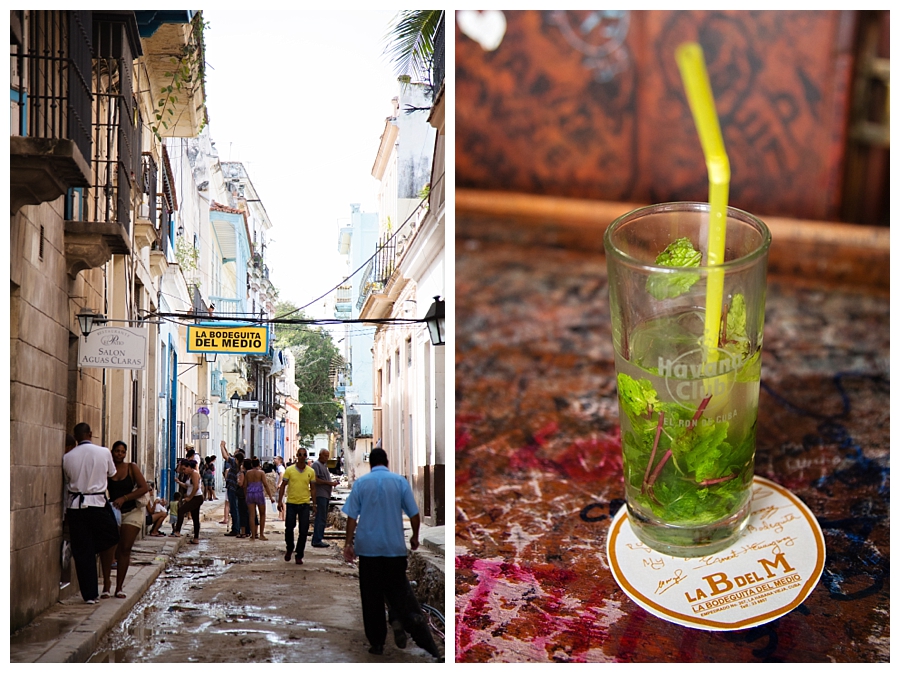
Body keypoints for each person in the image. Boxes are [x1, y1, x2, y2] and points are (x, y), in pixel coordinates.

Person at [342, 448, 441, 658]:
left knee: (371, 597)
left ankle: (377, 643)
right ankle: (399, 619)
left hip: (368, 550)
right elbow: (414, 515)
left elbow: (351, 517)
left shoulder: (361, 484)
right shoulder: (399, 482)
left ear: (371, 464)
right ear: (387, 462)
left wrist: (348, 543)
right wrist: (415, 537)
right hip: (394, 550)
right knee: (397, 591)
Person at [62, 423, 119, 604]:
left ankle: (89, 594)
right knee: (112, 535)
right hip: (97, 503)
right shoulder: (104, 452)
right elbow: (112, 473)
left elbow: (67, 480)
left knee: (82, 550)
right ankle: (94, 551)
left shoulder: (67, 457)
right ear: (90, 434)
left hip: (76, 507)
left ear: (76, 437)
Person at [105, 440, 150, 598]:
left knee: (124, 549)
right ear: (112, 452)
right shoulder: (107, 469)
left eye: (122, 451)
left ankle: (119, 588)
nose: (119, 454)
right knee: (109, 549)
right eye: (117, 451)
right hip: (113, 512)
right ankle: (106, 586)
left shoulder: (131, 468)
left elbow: (144, 487)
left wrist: (125, 498)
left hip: (132, 511)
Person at [277, 449, 316, 564]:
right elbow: (283, 486)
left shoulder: (311, 471)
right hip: (291, 503)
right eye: (300, 454)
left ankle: (299, 554)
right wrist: (280, 501)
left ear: (306, 456)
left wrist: (315, 504)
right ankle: (290, 548)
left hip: (304, 504)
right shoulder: (289, 470)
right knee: (289, 528)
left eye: (304, 455)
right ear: (297, 456)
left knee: (303, 531)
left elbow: (313, 489)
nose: (302, 457)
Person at [311, 449, 339, 548]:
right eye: (325, 456)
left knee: (323, 518)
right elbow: (315, 479)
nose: (326, 458)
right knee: (320, 517)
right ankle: (317, 540)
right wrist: (329, 483)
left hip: (326, 494)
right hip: (320, 494)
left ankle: (318, 538)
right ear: (320, 455)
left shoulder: (324, 465)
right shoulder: (316, 465)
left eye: (328, 456)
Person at [171, 459, 203, 543]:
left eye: (184, 469)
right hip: (194, 498)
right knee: (195, 517)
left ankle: (177, 531)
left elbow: (196, 487)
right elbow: (187, 486)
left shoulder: (194, 474)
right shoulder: (189, 475)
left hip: (196, 498)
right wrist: (179, 482)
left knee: (181, 510)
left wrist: (189, 498)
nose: (183, 471)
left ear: (189, 467)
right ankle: (196, 538)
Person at [244, 457, 275, 540]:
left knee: (252, 515)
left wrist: (245, 495)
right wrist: (270, 497)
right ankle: (261, 534)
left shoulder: (248, 473)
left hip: (250, 493)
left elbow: (245, 485)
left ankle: (253, 536)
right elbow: (265, 485)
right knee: (262, 514)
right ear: (258, 464)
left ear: (251, 464)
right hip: (259, 493)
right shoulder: (261, 473)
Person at [223, 452, 244, 537]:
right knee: (235, 509)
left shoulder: (235, 465)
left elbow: (225, 456)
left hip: (232, 488)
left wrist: (222, 446)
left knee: (234, 509)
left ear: (237, 459)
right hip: (235, 489)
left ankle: (235, 529)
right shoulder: (240, 466)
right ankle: (237, 528)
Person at [273, 456, 286, 521]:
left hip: (280, 486)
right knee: (279, 501)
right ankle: (280, 516)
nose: (274, 460)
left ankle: (283, 516)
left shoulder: (280, 467)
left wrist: (279, 484)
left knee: (282, 501)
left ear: (279, 460)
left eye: (275, 459)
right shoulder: (278, 467)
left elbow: (281, 475)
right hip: (280, 485)